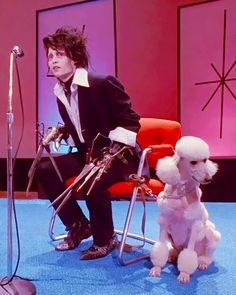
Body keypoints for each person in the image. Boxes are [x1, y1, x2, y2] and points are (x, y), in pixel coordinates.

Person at [37, 26, 146, 260]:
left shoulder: (103, 82)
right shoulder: (61, 91)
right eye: (50, 56)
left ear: (75, 57)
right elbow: (83, 121)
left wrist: (110, 153)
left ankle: (104, 239)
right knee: (44, 169)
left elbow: (131, 121)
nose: (53, 61)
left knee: (90, 178)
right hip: (89, 154)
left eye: (59, 54)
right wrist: (64, 130)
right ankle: (78, 224)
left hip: (121, 158)